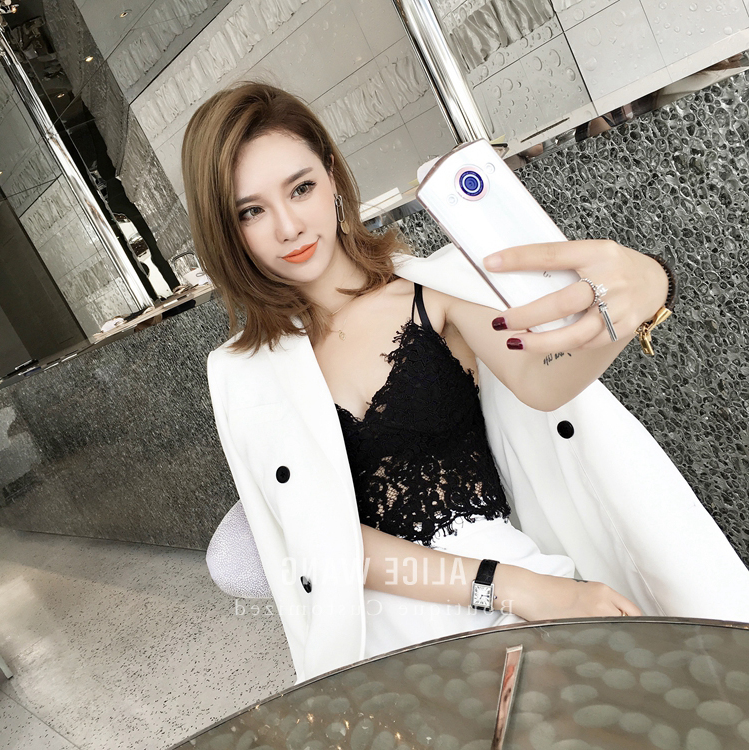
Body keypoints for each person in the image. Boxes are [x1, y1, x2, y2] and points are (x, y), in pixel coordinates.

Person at [182, 82, 749, 684]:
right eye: (251, 211)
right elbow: (324, 540)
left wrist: (650, 286)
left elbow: (544, 381)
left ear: (331, 176)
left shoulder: (437, 290)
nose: (289, 226)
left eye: (301, 188)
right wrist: (507, 588)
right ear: (227, 231)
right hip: (381, 637)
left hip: (516, 601)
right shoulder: (244, 374)